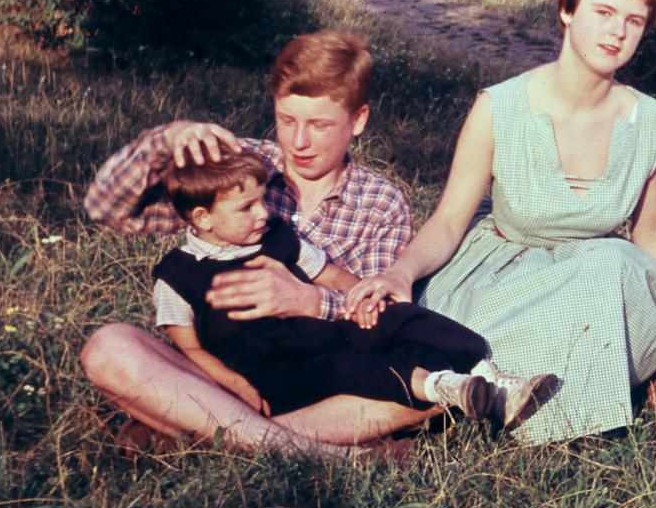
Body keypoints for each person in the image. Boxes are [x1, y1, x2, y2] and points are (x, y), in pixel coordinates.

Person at [345, 0, 656, 443]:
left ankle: (525, 405)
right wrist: (400, 274)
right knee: (600, 272)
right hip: (503, 286)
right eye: (603, 12)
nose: (617, 32)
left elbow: (654, 235)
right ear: (567, 9)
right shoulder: (500, 107)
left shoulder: (650, 122)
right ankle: (555, 407)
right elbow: (446, 221)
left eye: (633, 20)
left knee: (609, 263)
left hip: (596, 289)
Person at [82, 31, 429, 456]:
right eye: (287, 120)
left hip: (319, 380)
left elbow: (384, 317)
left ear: (358, 120)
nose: (298, 142)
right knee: (106, 347)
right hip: (220, 372)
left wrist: (312, 300)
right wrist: (166, 141)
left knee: (427, 387)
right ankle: (320, 452)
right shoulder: (242, 165)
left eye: (318, 125)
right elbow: (107, 208)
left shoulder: (381, 203)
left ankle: (194, 428)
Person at [152, 150, 548, 428]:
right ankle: (448, 388)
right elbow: (189, 350)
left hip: (320, 332)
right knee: (342, 369)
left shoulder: (276, 238)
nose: (263, 213)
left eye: (261, 201)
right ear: (202, 218)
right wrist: (237, 385)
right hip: (270, 370)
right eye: (246, 208)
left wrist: (362, 299)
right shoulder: (177, 275)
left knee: (397, 317)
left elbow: (333, 276)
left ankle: (489, 375)